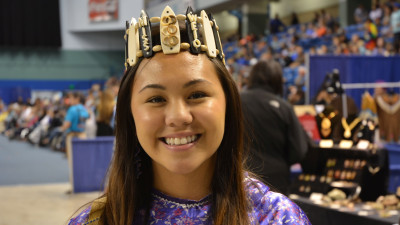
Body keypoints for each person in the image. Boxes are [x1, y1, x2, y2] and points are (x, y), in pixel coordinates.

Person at [69, 6, 311, 225]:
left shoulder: (278, 218)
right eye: (156, 99)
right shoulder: (94, 222)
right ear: (129, 113)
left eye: (196, 95)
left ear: (228, 103)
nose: (178, 117)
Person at [240, 60, 309, 194]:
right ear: (278, 80)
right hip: (275, 184)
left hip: (239, 179)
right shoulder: (283, 108)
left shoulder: (233, 102)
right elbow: (299, 151)